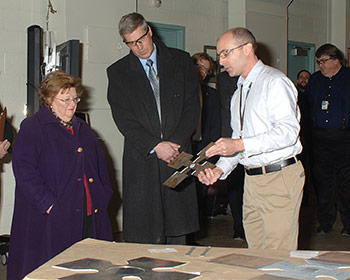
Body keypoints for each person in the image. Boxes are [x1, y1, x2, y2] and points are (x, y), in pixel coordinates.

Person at [198, 27, 304, 250]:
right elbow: (239, 141)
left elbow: (287, 132)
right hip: (252, 179)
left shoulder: (275, 82)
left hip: (279, 176)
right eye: (220, 55)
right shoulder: (239, 91)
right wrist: (219, 170)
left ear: (247, 49)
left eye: (226, 53)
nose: (221, 61)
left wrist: (238, 144)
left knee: (278, 256)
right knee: (256, 252)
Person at [7, 71, 114, 280]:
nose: (71, 105)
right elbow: (24, 171)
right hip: (50, 217)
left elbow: (101, 168)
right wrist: (48, 204)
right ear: (48, 100)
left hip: (88, 214)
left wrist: (103, 195)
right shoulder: (33, 127)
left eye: (75, 99)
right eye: (64, 100)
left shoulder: (84, 129)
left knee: (89, 269)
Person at [107, 13, 200, 244]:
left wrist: (173, 145)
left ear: (149, 31)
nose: (138, 47)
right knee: (145, 233)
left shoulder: (181, 61)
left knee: (178, 227)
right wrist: (155, 145)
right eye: (131, 43)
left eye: (141, 39)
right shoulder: (117, 72)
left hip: (178, 154)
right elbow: (123, 119)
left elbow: (192, 107)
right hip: (143, 158)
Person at [306, 43, 350, 236]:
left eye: (323, 61)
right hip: (320, 139)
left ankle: (348, 225)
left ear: (336, 60)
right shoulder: (315, 80)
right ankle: (325, 224)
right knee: (323, 183)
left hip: (344, 139)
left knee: (345, 184)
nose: (320, 65)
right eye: (318, 62)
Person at [216, 71, 245, 240]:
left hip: (251, 145)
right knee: (235, 187)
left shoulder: (271, 80)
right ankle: (239, 227)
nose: (223, 61)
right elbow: (226, 107)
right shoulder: (224, 78)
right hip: (230, 140)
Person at [295, 70, 313, 205]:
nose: (303, 80)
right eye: (301, 77)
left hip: (311, 137)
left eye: (306, 78)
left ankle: (307, 197)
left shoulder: (313, 95)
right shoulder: (294, 95)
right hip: (297, 138)